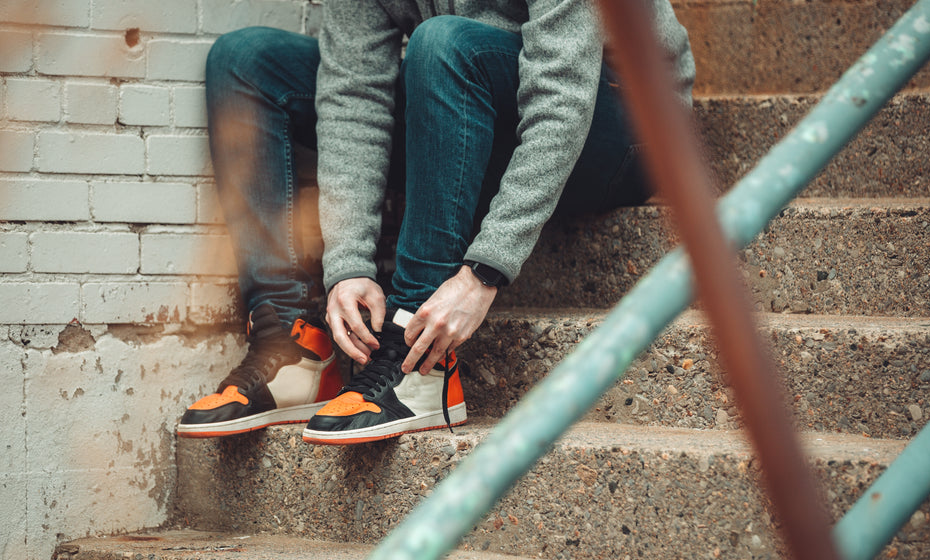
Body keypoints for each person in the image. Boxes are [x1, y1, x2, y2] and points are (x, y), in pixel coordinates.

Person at [178, 1, 695, 444]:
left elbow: (561, 98)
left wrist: (484, 271)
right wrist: (348, 263)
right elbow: (354, 95)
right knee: (246, 61)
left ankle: (417, 351)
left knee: (444, 42)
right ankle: (292, 347)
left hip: (623, 121)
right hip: (471, 99)